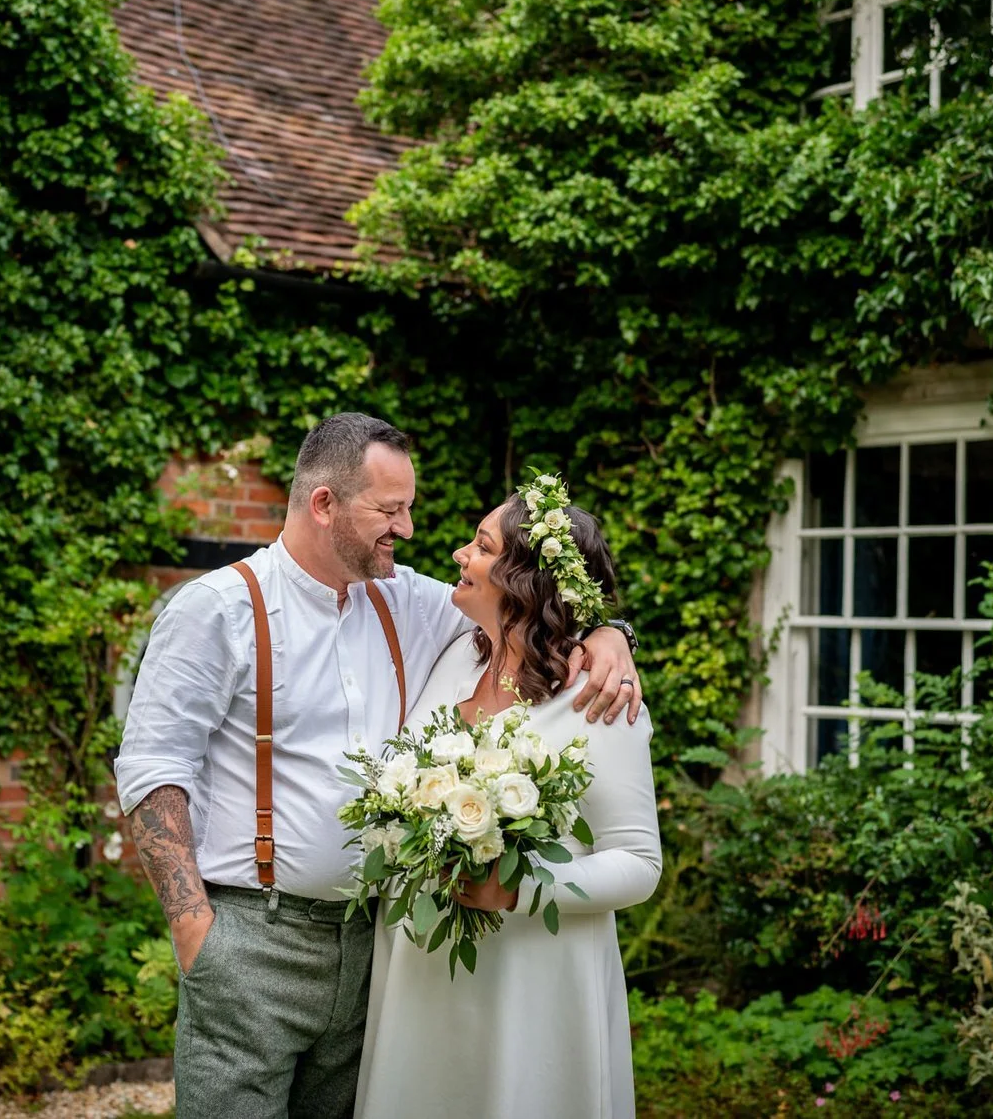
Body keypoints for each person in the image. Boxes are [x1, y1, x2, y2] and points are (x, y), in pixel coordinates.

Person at [115, 414, 643, 1119]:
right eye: (390, 510)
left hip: (377, 950)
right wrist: (194, 930)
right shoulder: (216, 609)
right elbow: (153, 766)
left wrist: (611, 634)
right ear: (325, 504)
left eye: (410, 508)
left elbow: (529, 612)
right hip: (252, 942)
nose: (410, 529)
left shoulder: (413, 602)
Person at [355, 480, 660, 1119]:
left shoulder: (599, 700)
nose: (461, 555)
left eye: (482, 545)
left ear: (523, 579)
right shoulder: (453, 660)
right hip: (422, 962)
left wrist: (521, 889)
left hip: (534, 973)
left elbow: (638, 863)